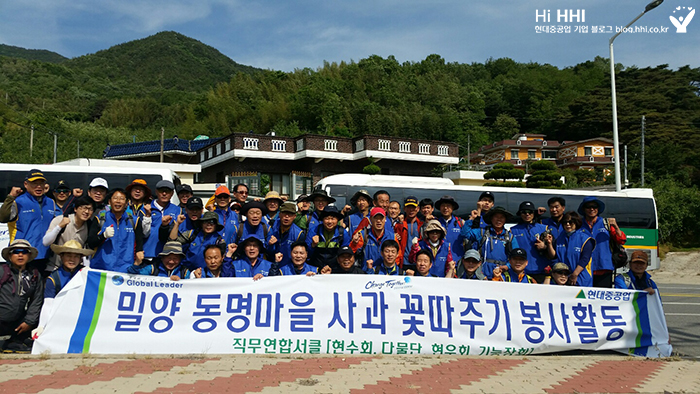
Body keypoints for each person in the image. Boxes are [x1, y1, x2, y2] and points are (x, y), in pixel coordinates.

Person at [0, 169, 60, 275]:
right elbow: (2, 217)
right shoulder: (18, 202)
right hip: (22, 254)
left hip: (45, 256)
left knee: (39, 289)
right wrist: (10, 197)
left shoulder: (51, 203)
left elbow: (62, 221)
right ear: (26, 184)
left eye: (41, 183)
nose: (38, 186)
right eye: (34, 183)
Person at [0, 240, 43, 353]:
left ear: (29, 256)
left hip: (18, 321)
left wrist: (29, 321)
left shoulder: (34, 274)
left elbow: (36, 300)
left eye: (24, 252)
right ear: (9, 256)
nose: (20, 255)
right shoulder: (1, 271)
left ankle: (14, 341)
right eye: (16, 252)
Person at [89, 188, 144, 273]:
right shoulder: (100, 219)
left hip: (125, 270)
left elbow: (139, 246)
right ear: (109, 202)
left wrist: (137, 262)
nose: (118, 201)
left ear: (126, 203)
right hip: (101, 269)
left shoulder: (134, 221)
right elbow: (91, 243)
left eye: (122, 199)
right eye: (115, 198)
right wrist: (103, 236)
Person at [578, 196, 626, 288]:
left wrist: (615, 226)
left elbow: (621, 240)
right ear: (584, 209)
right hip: (584, 268)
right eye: (588, 207)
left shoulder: (606, 223)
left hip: (603, 267)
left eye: (594, 207)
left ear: (598, 209)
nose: (592, 209)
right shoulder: (579, 224)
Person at [461, 206, 519, 280]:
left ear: (505, 220)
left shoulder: (510, 237)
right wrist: (471, 219)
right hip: (482, 274)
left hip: (501, 274)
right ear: (491, 218)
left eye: (501, 217)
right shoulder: (482, 232)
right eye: (496, 217)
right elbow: (464, 234)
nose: (499, 219)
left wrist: (507, 266)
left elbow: (516, 256)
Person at [42, 196, 96, 271]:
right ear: (75, 209)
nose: (86, 212)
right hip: (55, 268)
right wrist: (59, 226)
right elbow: (45, 242)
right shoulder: (60, 219)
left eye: (90, 209)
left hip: (75, 271)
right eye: (83, 208)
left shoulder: (90, 227)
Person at [545, 211, 595, 287]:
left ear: (576, 223)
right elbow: (554, 257)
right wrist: (549, 244)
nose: (568, 224)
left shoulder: (585, 239)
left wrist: (575, 274)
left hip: (581, 279)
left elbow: (585, 259)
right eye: (565, 222)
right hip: (563, 279)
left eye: (571, 222)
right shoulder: (560, 239)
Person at [510, 201, 551, 283]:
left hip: (541, 271)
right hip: (522, 272)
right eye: (524, 212)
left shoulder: (544, 228)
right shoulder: (513, 230)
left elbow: (553, 251)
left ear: (534, 213)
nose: (527, 214)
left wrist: (545, 247)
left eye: (530, 212)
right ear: (520, 214)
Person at [143, 180, 182, 261]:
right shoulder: (145, 209)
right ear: (156, 192)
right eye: (161, 191)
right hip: (148, 254)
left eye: (167, 191)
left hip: (168, 256)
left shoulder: (178, 210)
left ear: (172, 193)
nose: (164, 194)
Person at [269, 202, 305, 268]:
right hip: (270, 265)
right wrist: (270, 245)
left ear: (295, 216)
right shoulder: (271, 228)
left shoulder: (299, 234)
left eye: (290, 214)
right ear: (279, 214)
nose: (287, 217)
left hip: (288, 269)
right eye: (284, 213)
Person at [434, 195, 466, 263]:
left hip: (457, 261)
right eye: (443, 205)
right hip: (439, 262)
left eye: (448, 205)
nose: (445, 208)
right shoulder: (435, 223)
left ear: (453, 208)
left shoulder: (461, 223)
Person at [396, 196, 423, 271]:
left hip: (418, 262)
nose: (411, 210)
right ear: (404, 209)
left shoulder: (422, 225)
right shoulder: (399, 224)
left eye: (413, 208)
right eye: (408, 207)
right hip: (403, 261)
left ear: (417, 209)